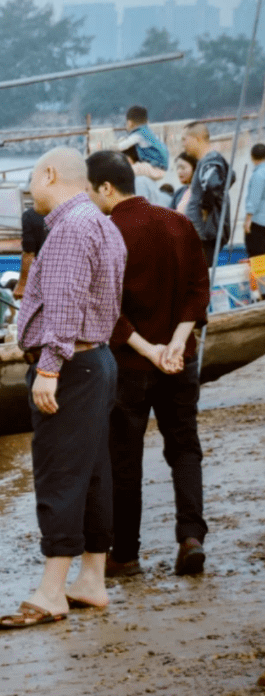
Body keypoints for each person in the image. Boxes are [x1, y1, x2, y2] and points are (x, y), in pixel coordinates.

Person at [0, 148, 125, 630]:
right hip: (96, 361)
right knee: (91, 472)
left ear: (50, 174)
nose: (30, 188)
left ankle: (52, 590)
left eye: (31, 178)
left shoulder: (68, 227)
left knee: (60, 473)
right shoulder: (101, 222)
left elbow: (66, 305)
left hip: (71, 365)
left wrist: (48, 367)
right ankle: (90, 579)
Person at [84, 150, 211, 578]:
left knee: (125, 460)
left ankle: (126, 553)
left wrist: (148, 349)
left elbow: (108, 309)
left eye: (89, 189)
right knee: (185, 449)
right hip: (181, 358)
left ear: (105, 188)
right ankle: (191, 536)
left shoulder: (106, 232)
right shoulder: (178, 223)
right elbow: (198, 289)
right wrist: (174, 342)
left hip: (130, 367)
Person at [182, 122, 232, 266]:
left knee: (203, 277)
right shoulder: (210, 161)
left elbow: (212, 185)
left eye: (184, 139)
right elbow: (230, 177)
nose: (183, 144)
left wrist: (205, 208)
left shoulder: (210, 161)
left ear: (197, 138)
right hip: (203, 234)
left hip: (205, 235)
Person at [117, 105, 169, 179]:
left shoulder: (138, 134)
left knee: (124, 171)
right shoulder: (148, 132)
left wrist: (112, 147)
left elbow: (121, 146)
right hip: (162, 167)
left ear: (129, 123)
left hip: (153, 168)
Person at [13, 206, 48, 302]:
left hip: (41, 277)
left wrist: (22, 284)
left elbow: (28, 253)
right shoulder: (74, 211)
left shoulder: (31, 215)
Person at [244, 143, 265, 260]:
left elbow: (254, 199)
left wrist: (248, 220)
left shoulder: (258, 174)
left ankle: (258, 278)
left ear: (252, 157)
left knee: (256, 256)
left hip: (258, 223)